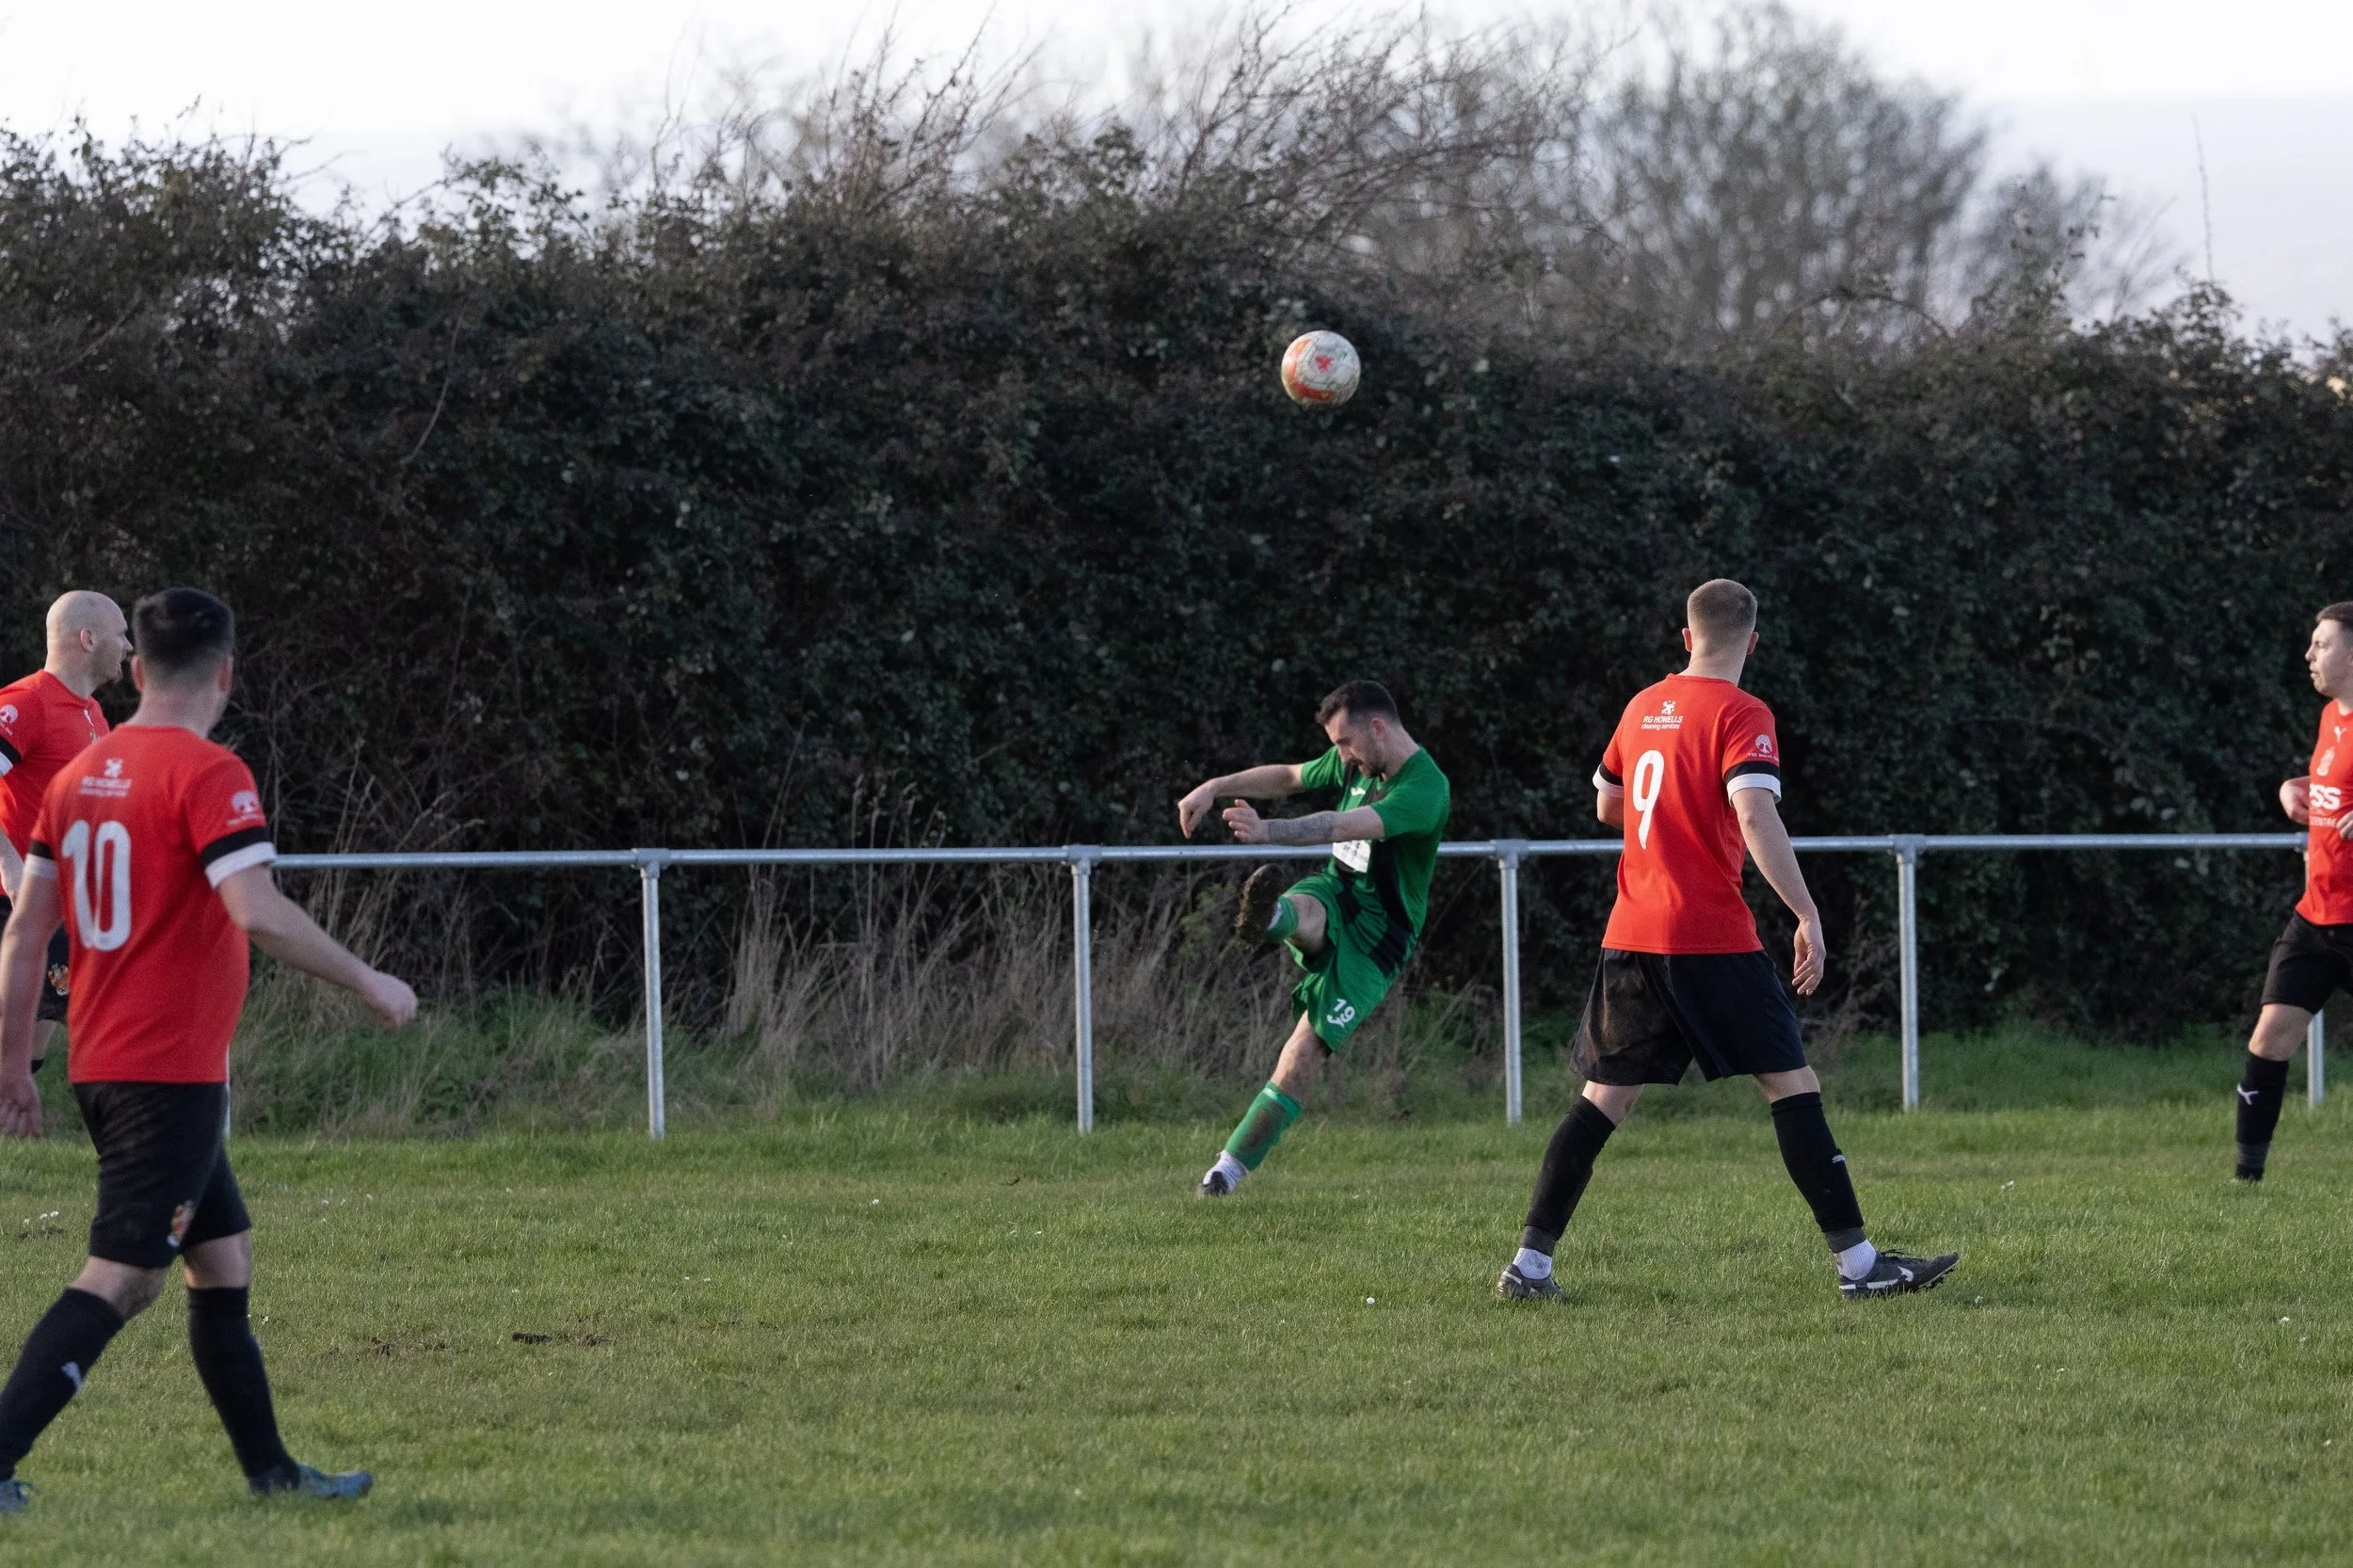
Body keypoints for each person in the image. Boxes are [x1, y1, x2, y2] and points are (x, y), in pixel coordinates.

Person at [0, 587, 418, 1516]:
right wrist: (368, 979)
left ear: (138, 672)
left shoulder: (78, 775)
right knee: (123, 1274)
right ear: (225, 672)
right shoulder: (208, 772)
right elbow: (258, 911)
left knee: (221, 1259)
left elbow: (26, 932)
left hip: (106, 1060)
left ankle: (271, 1474)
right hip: (167, 1073)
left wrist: (7, 1064)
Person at [1496, 579, 1958, 1302]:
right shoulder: (1743, 712)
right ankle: (1862, 1269)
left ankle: (1529, 1268)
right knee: (1791, 1085)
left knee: (1602, 1100)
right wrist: (1806, 911)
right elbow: (1755, 814)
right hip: (1707, 935)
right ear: (1753, 641)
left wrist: (1672, 809)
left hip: (1633, 931)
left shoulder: (1644, 704)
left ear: (1686, 638)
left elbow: (1607, 801)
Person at [1176, 680, 1450, 1196]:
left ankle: (1224, 1173)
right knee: (1306, 906)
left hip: (1378, 940)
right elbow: (1288, 776)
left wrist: (1268, 832)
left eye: (1344, 742)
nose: (1339, 755)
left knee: (1301, 1054)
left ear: (1377, 727)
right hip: (1336, 894)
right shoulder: (1356, 759)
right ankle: (1269, 916)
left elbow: (1341, 824)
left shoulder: (1425, 789)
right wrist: (1214, 785)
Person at [2232, 602, 2353, 1182]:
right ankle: (2245, 1182)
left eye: (2321, 644)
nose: (2309, 654)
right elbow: (2333, 784)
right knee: (2271, 1035)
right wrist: (2292, 786)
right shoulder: (2333, 717)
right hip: (2317, 917)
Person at [0, 591, 133, 1076]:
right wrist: (9, 866)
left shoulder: (92, 714)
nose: (128, 645)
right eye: (120, 633)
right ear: (88, 638)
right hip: (16, 904)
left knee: (25, 1060)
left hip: (65, 905)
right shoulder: (25, 704)